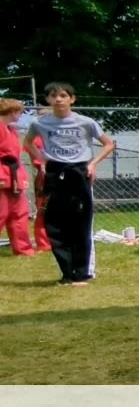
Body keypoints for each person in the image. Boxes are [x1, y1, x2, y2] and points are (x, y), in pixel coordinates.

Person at [22, 81, 116, 285]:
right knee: (55, 224)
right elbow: (27, 143)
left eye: (63, 95)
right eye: (54, 96)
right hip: (55, 173)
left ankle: (82, 273)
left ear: (71, 99)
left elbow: (108, 144)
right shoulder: (40, 123)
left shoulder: (85, 122)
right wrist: (43, 159)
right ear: (48, 100)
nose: (58, 99)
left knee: (80, 224)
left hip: (79, 171)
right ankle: (67, 273)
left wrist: (92, 164)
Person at [0, 98, 34, 255]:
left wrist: (22, 178)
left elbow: (16, 157)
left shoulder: (12, 130)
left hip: (14, 175)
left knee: (19, 213)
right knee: (1, 213)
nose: (21, 115)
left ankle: (23, 249)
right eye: (20, 112)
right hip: (2, 174)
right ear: (12, 111)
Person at [28, 114, 52, 252]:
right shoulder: (36, 138)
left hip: (64, 175)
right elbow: (38, 161)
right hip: (45, 178)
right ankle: (44, 243)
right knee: (44, 210)